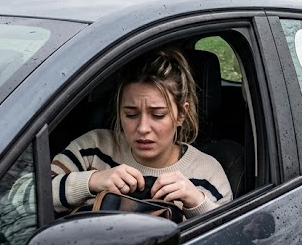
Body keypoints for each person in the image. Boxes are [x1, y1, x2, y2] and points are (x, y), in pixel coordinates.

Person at [46, 47, 232, 219]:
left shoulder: (208, 174)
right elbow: (24, 197)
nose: (143, 128)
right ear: (118, 111)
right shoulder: (92, 149)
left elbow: (231, 241)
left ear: (181, 114)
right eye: (131, 114)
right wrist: (91, 181)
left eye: (158, 115)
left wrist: (197, 203)